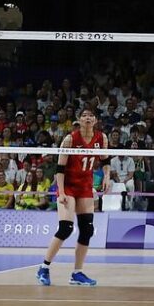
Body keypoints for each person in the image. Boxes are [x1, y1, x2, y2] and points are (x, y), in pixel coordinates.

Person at [37, 107, 110, 286]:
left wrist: (107, 177)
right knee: (66, 228)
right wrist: (61, 192)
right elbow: (60, 169)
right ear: (78, 119)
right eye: (84, 115)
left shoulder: (102, 138)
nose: (87, 118)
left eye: (91, 115)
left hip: (85, 187)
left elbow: (106, 160)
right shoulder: (70, 139)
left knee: (87, 230)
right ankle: (44, 267)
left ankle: (77, 273)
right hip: (68, 187)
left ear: (95, 120)